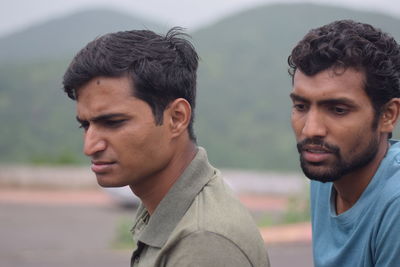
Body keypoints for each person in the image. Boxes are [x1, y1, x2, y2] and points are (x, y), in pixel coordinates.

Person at [62, 27, 270, 267]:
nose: (90, 146)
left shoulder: (203, 243)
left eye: (113, 122)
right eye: (85, 125)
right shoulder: (166, 208)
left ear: (176, 118)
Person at [288, 19, 400, 266]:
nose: (311, 129)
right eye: (301, 106)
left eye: (338, 110)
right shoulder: (328, 173)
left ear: (387, 115)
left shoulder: (395, 205)